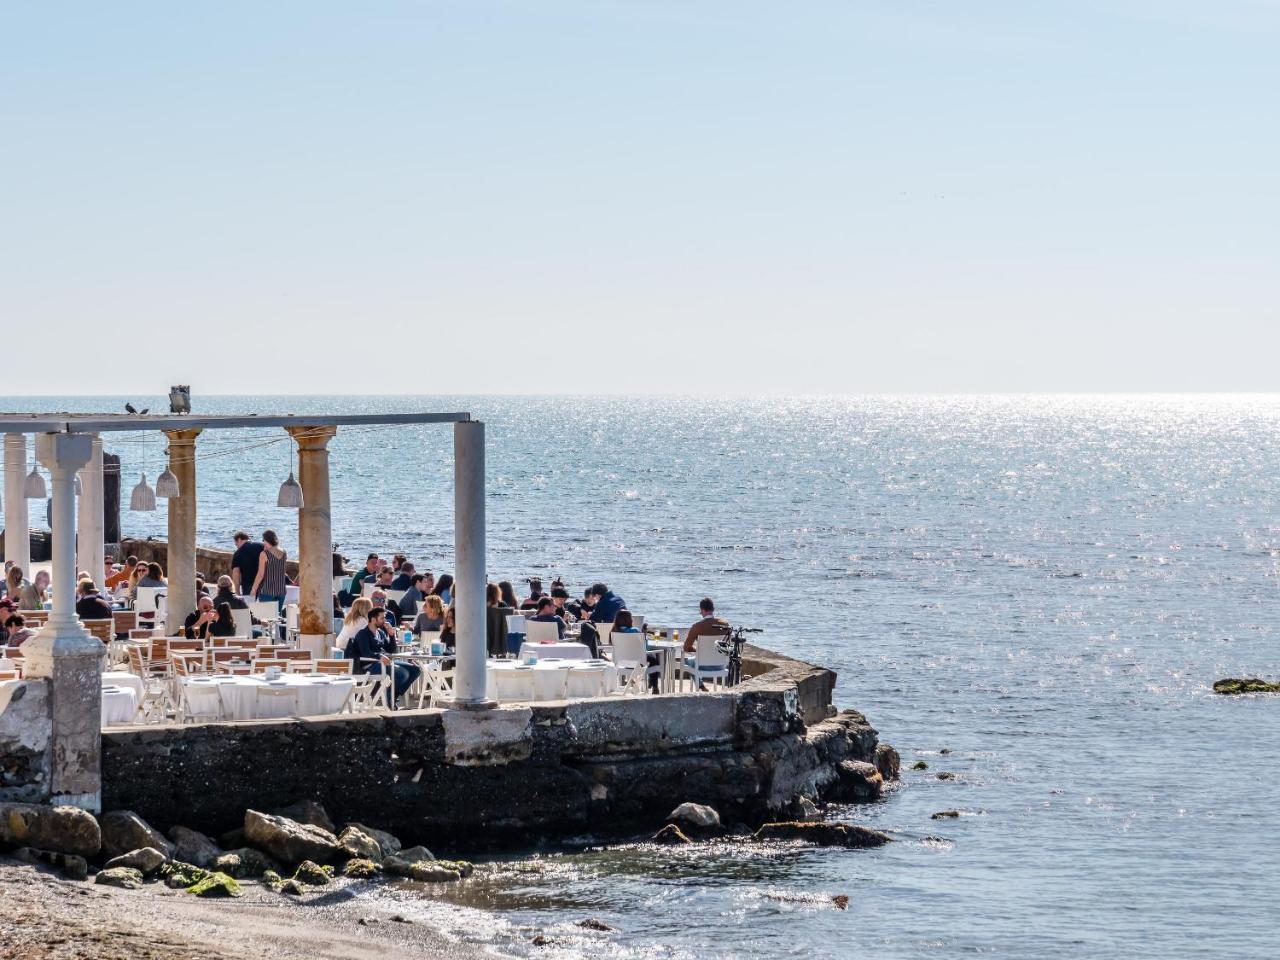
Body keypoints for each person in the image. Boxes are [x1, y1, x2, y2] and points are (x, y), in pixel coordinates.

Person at [349, 607, 420, 704]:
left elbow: (392, 650)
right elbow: (365, 652)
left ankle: (393, 695)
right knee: (402, 673)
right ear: (373, 619)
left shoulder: (381, 633)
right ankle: (389, 698)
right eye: (382, 618)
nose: (385, 621)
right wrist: (379, 656)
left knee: (415, 670)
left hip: (382, 663)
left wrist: (391, 635)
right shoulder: (363, 634)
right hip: (370, 666)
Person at [250, 530, 288, 611]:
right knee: (277, 618)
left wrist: (254, 589)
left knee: (265, 617)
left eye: (263, 540)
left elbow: (260, 574)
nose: (263, 542)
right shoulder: (284, 552)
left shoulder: (264, 554)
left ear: (267, 540)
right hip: (281, 590)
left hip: (267, 590)